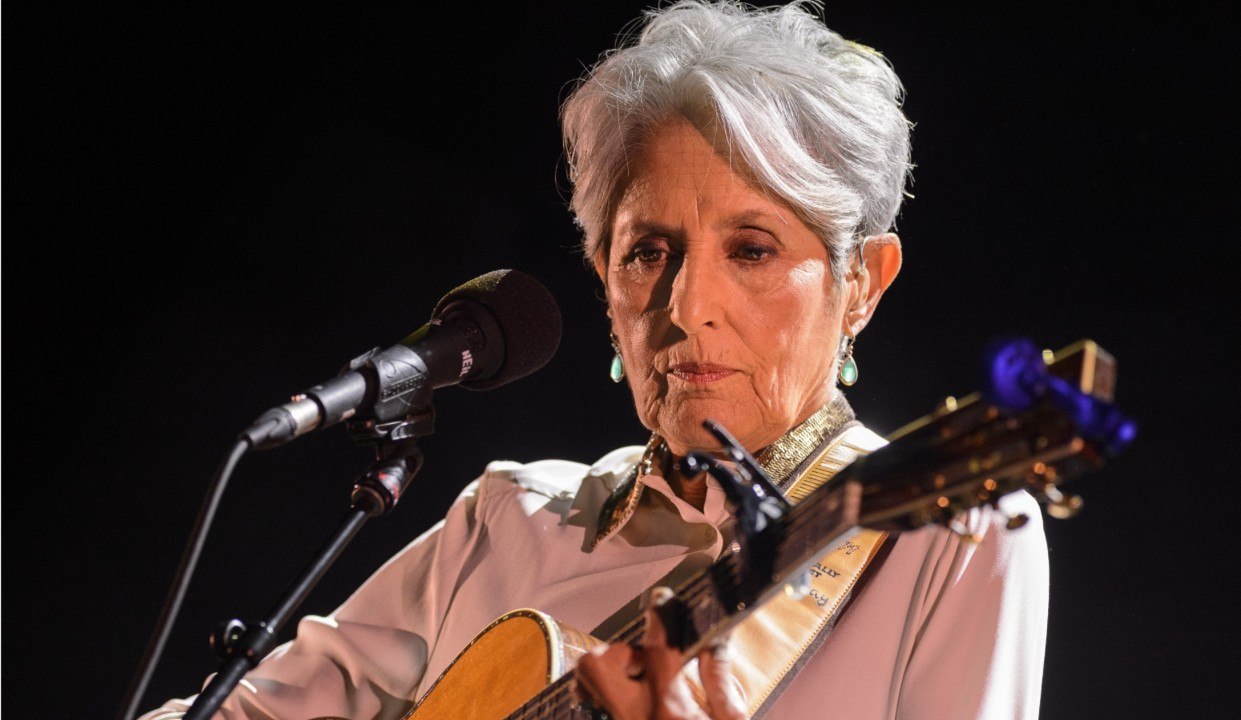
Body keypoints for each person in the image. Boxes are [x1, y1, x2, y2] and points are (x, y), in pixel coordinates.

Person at [142, 1, 1048, 718]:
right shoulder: (507, 520)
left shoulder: (946, 532)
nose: (688, 307)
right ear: (602, 277)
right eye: (649, 251)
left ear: (862, 283)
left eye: (752, 249)